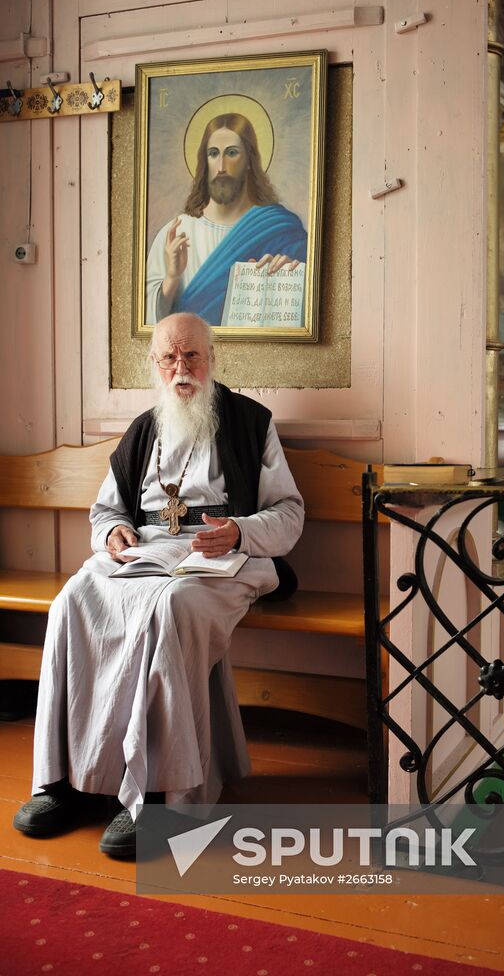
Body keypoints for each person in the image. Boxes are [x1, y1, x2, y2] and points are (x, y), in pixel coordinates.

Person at [12, 313, 304, 857]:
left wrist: (240, 529)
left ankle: (158, 794)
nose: (181, 369)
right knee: (71, 601)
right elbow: (105, 511)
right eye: (169, 358)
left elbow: (288, 512)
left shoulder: (250, 422)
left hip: (222, 555)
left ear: (212, 360)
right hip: (148, 548)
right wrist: (115, 531)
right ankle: (65, 782)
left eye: (191, 356)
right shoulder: (144, 429)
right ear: (155, 365)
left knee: (169, 608)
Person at [146, 112, 308, 326]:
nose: (221, 166)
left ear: (250, 160)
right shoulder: (175, 233)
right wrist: (172, 277)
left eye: (232, 153)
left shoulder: (281, 230)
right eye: (213, 154)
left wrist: (290, 278)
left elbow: (307, 313)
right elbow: (150, 323)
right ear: (205, 162)